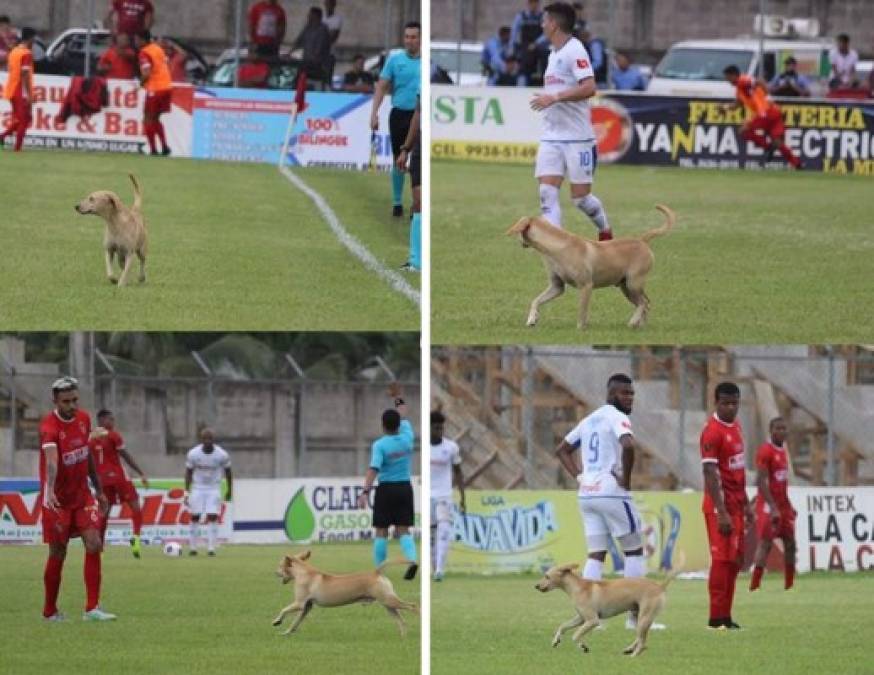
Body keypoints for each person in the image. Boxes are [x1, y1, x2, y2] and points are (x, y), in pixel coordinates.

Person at [555, 373, 664, 631]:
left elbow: (562, 450)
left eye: (632, 394)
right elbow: (628, 446)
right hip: (611, 492)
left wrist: (580, 476)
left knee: (596, 554)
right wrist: (625, 479)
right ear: (612, 394)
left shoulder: (590, 419)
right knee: (634, 550)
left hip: (587, 494)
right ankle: (634, 618)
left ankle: (589, 619)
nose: (630, 398)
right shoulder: (618, 417)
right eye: (626, 394)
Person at [529, 3, 612, 240]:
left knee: (581, 200)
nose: (542, 25)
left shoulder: (575, 50)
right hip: (551, 136)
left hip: (578, 138)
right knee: (546, 192)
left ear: (554, 24)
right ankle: (556, 246)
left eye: (544, 21)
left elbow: (589, 87)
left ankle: (605, 231)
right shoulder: (553, 53)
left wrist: (554, 97)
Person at [39, 377, 116, 621]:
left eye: (74, 400)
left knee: (94, 543)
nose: (71, 405)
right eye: (66, 401)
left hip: (82, 496)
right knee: (58, 552)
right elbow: (52, 461)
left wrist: (99, 488)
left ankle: (92, 609)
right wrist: (49, 490)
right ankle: (50, 611)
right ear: (55, 401)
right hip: (58, 500)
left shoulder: (83, 419)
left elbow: (87, 455)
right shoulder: (49, 427)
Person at [700, 381, 753, 630]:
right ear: (716, 402)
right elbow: (710, 473)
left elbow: (737, 470)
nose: (731, 408)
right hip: (719, 507)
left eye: (735, 403)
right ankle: (714, 619)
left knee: (734, 561)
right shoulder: (712, 432)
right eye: (725, 403)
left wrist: (746, 505)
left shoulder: (737, 427)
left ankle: (726, 616)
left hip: (737, 505)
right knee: (721, 560)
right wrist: (721, 512)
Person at [356, 384, 418, 580]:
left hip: (386, 489)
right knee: (404, 529)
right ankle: (412, 559)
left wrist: (365, 492)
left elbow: (373, 469)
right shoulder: (407, 437)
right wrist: (399, 396)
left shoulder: (380, 445)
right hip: (404, 488)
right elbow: (402, 412)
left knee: (381, 531)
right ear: (399, 424)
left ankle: (379, 571)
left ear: (383, 426)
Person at [370, 21, 421, 219]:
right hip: (399, 114)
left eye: (414, 37)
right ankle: (397, 202)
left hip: (419, 116)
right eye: (407, 37)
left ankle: (417, 204)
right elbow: (381, 87)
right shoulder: (395, 59)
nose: (410, 40)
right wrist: (374, 113)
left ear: (420, 38)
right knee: (399, 159)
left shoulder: (427, 62)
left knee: (416, 161)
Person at [89, 409, 149, 558]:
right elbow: (125, 455)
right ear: (102, 420)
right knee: (135, 507)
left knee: (104, 513)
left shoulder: (90, 438)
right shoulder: (113, 435)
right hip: (119, 478)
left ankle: (100, 546)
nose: (113, 423)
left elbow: (86, 461)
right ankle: (135, 537)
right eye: (110, 420)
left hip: (101, 481)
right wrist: (141, 473)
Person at [722, 65, 802, 170]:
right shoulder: (739, 89)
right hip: (774, 112)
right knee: (777, 142)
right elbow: (737, 104)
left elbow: (760, 81)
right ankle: (797, 164)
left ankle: (768, 147)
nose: (727, 81)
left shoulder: (743, 80)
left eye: (728, 78)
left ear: (733, 75)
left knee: (743, 131)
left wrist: (768, 97)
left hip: (764, 113)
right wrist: (725, 107)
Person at [750, 417, 797, 592]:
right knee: (766, 543)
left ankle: (789, 584)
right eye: (778, 428)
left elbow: (781, 483)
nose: (782, 432)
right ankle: (755, 584)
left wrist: (788, 505)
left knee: (790, 542)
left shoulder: (782, 451)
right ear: (771, 431)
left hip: (782, 505)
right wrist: (774, 507)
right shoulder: (765, 451)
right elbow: (760, 481)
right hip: (769, 506)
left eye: (784, 428)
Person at [184, 428, 232, 556]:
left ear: (213, 440)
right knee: (195, 516)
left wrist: (229, 490)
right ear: (201, 440)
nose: (207, 441)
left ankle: (211, 548)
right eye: (205, 439)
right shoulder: (193, 454)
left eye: (210, 439)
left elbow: (228, 472)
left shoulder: (221, 454)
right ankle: (193, 548)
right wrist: (186, 492)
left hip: (214, 488)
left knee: (213, 516)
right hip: (198, 488)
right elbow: (188, 472)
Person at [430, 411, 465, 582]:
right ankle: (433, 566)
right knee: (431, 536)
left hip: (444, 495)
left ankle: (440, 570)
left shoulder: (451, 447)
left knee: (444, 530)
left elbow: (458, 472)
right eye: (436, 428)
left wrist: (462, 497)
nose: (439, 431)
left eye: (441, 428)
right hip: (427, 495)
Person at [135, 30, 173, 156]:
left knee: (148, 118)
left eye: (137, 39)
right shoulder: (157, 48)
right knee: (155, 118)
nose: (135, 42)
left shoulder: (144, 52)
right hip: (166, 86)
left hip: (155, 89)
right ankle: (164, 146)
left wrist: (140, 83)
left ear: (142, 40)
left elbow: (146, 72)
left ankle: (153, 149)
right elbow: (165, 63)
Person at [0, 27, 36, 153]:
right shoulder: (26, 53)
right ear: (31, 38)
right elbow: (25, 74)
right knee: (24, 120)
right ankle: (18, 149)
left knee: (20, 119)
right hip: (20, 90)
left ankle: (2, 137)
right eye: (34, 39)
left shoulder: (14, 51)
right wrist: (29, 94)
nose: (34, 43)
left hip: (12, 88)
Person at [396, 94, 421, 272]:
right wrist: (406, 148)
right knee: (418, 201)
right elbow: (418, 114)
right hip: (420, 145)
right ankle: (416, 260)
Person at [293, 6, 332, 86]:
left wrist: (310, 60)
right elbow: (298, 42)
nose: (308, 17)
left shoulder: (323, 30)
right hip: (306, 62)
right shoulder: (307, 28)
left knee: (298, 72)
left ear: (316, 17)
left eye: (310, 15)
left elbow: (318, 51)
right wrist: (289, 53)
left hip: (318, 65)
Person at [512, 0, 547, 86]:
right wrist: (513, 51)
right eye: (531, 3)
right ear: (528, 4)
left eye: (535, 3)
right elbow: (514, 35)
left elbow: (546, 34)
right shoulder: (521, 17)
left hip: (539, 49)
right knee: (522, 70)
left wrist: (536, 43)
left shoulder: (543, 17)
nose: (533, 5)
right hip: (525, 49)